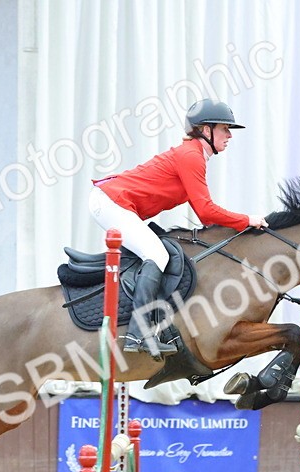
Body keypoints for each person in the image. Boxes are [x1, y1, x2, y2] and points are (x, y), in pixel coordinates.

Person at [89, 98, 268, 359]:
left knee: (156, 252)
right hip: (109, 201)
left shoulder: (194, 156)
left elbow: (204, 216)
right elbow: (206, 211)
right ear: (205, 130)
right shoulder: (191, 156)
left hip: (114, 201)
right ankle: (139, 333)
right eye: (224, 128)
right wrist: (247, 220)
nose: (229, 135)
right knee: (158, 254)